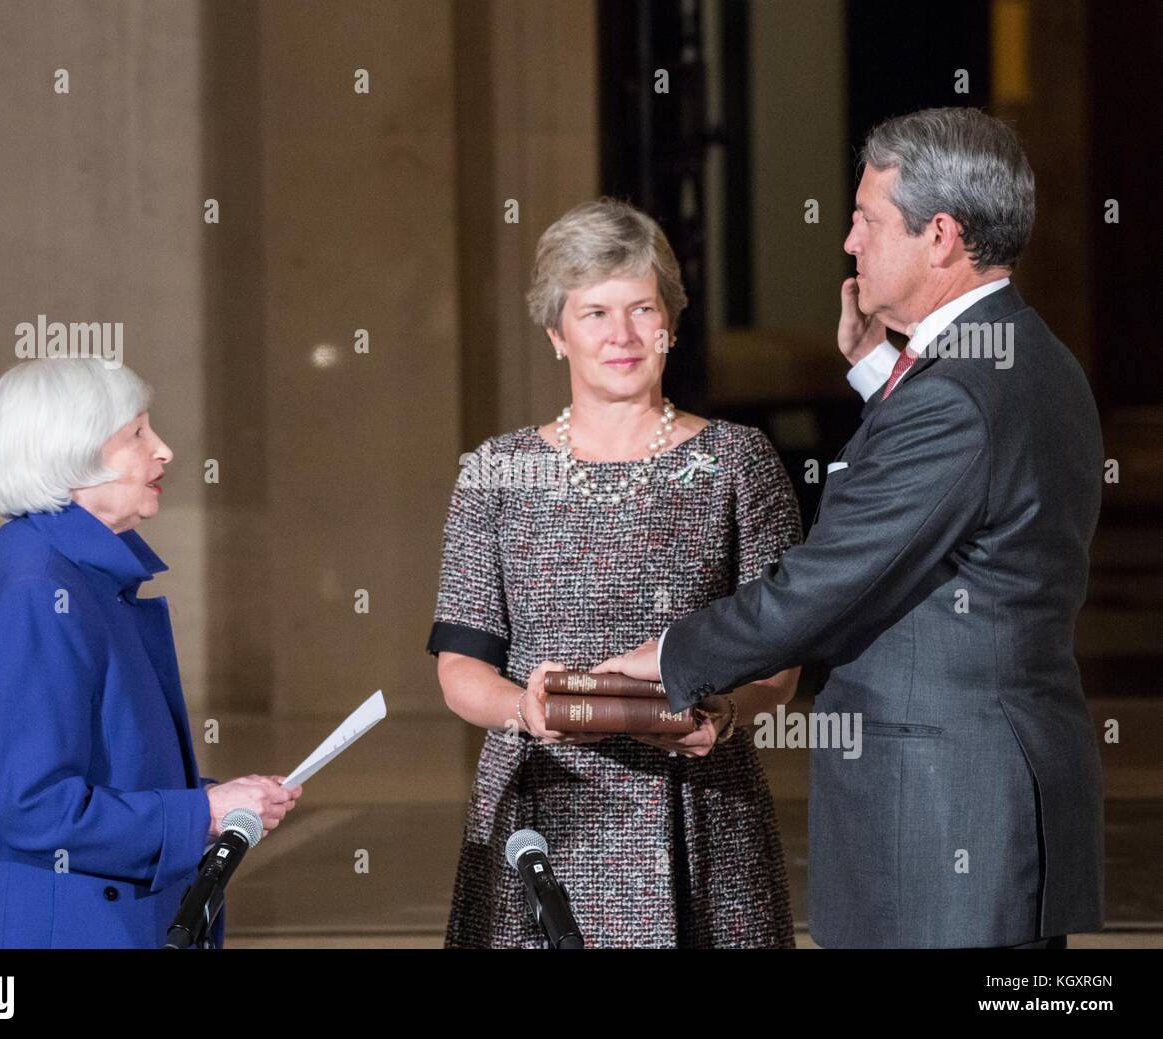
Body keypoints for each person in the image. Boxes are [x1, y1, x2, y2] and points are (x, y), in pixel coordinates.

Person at [600, 107, 1105, 949]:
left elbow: (832, 582)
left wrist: (664, 660)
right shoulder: (1029, 356)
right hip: (993, 795)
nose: (848, 240)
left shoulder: (954, 396)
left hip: (943, 815)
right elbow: (959, 502)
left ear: (939, 235)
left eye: (869, 218)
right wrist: (880, 371)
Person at [428, 198, 803, 947]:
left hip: (700, 808)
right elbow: (461, 666)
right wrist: (527, 710)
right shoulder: (498, 471)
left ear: (670, 321)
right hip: (544, 808)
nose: (622, 335)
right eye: (594, 312)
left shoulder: (738, 462)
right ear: (555, 333)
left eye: (641, 308)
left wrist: (726, 711)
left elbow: (781, 654)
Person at [0, 358, 300, 948]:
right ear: (69, 453)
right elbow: (36, 806)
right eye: (136, 435)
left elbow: (104, 766)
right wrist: (199, 815)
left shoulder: (73, 574)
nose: (165, 450)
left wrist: (211, 801)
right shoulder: (35, 587)